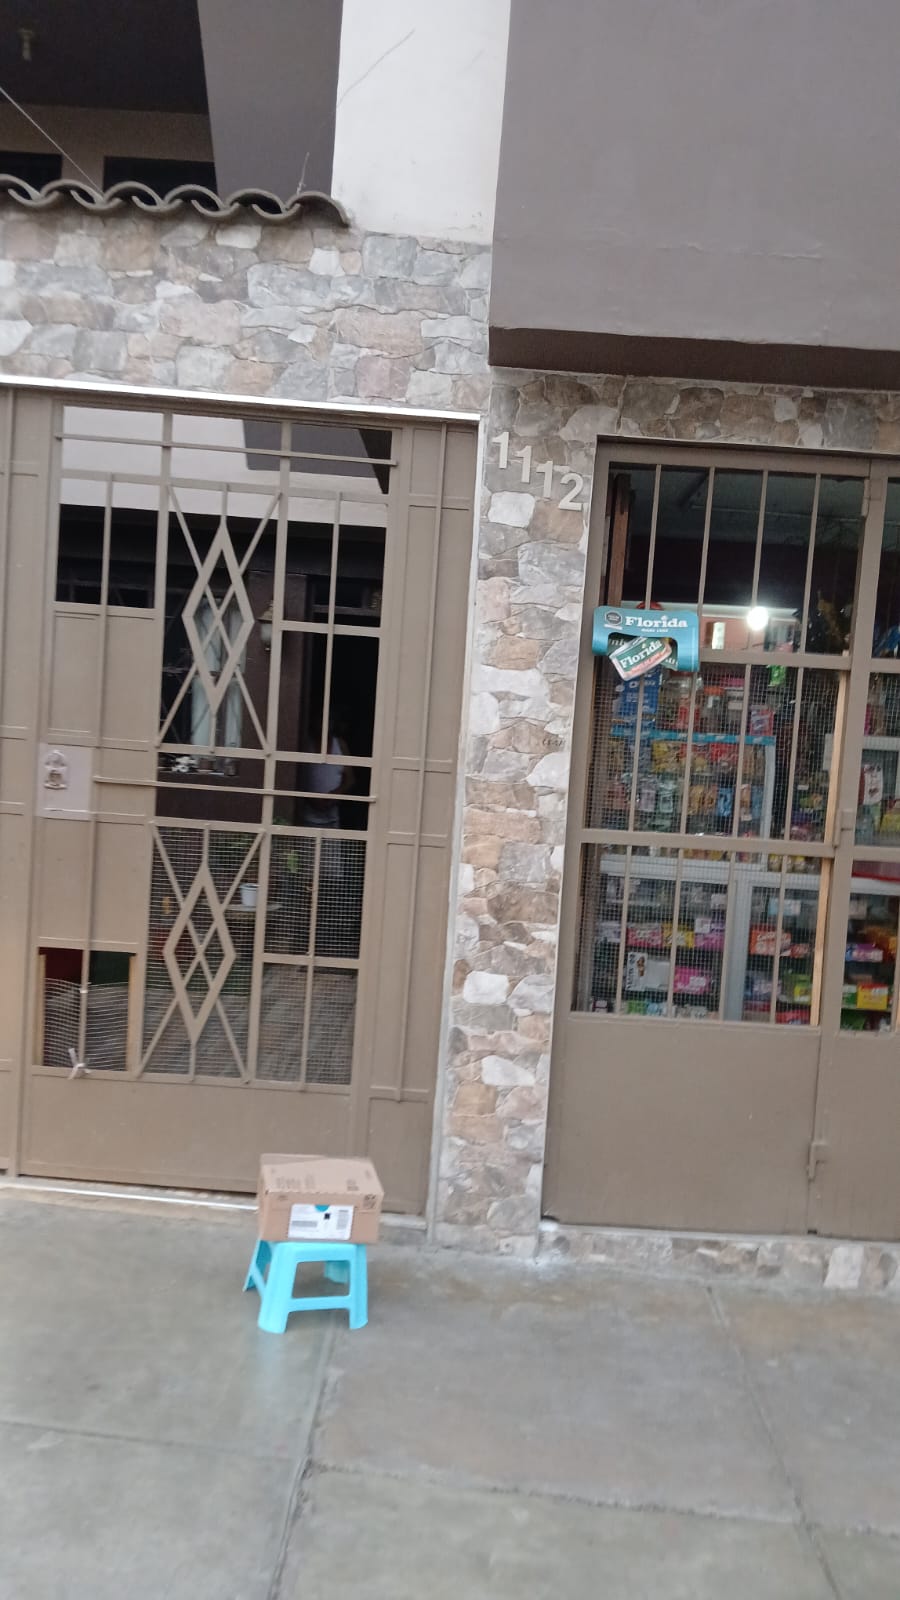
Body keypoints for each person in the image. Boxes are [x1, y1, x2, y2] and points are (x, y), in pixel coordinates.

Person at [299, 717, 352, 828]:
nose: (323, 725)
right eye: (320, 720)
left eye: (328, 721)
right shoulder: (306, 745)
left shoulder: (340, 745)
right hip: (307, 817)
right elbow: (294, 777)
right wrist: (311, 798)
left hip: (332, 818)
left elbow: (350, 780)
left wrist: (334, 795)